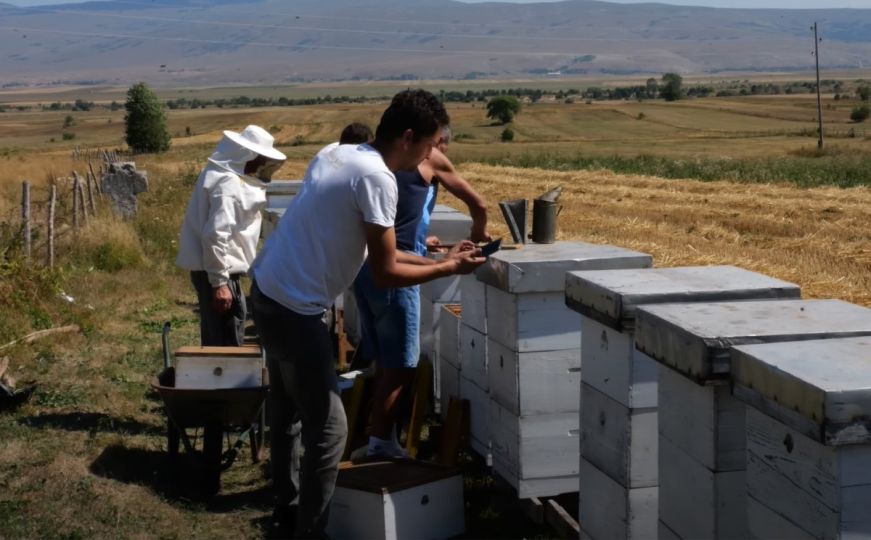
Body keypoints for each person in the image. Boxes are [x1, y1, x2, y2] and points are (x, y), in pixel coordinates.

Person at [250, 89, 485, 538]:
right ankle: (311, 529)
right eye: (431, 145)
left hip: (267, 288)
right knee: (331, 430)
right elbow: (385, 271)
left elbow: (389, 252)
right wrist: (449, 268)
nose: (432, 154)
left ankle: (287, 506)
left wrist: (447, 254)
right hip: (294, 309)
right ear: (410, 137)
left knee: (285, 413)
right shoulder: (378, 179)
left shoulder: (338, 153)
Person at [353, 124, 490, 458]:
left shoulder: (382, 160)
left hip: (364, 263)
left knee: (384, 358)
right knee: (401, 363)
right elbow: (480, 204)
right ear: (436, 141)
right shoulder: (433, 159)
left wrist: (425, 243)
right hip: (399, 268)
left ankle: (376, 435)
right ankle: (382, 444)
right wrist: (480, 234)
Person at [176, 125, 286, 346]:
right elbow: (215, 234)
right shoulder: (227, 183)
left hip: (215, 270)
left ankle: (220, 376)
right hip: (217, 272)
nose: (262, 166)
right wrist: (219, 283)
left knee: (223, 334)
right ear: (248, 155)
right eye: (261, 159)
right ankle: (222, 380)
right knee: (224, 341)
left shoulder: (219, 174)